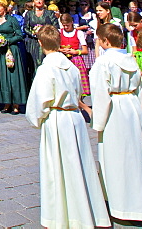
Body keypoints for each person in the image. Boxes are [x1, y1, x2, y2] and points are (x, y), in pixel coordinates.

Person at [25, 25, 109, 229]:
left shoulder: (46, 69)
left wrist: (36, 118)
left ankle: (61, 216)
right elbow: (78, 91)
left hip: (56, 118)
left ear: (40, 43)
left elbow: (40, 100)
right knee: (79, 165)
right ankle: (84, 210)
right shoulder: (70, 66)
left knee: (58, 168)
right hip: (74, 117)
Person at [89, 24, 142, 224]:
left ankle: (121, 201)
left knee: (117, 155)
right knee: (136, 153)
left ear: (105, 41)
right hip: (131, 105)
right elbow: (139, 88)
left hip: (114, 109)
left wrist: (99, 122)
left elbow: (100, 93)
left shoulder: (103, 63)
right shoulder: (130, 59)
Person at [0, 0, 26, 114]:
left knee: (12, 76)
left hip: (10, 50)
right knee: (2, 76)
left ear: (5, 8)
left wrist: (8, 40)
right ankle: (6, 102)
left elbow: (19, 35)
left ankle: (16, 103)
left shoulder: (12, 20)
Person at [23, 0, 58, 79]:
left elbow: (56, 26)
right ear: (33, 2)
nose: (39, 1)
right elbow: (25, 28)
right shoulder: (29, 14)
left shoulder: (49, 13)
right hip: (33, 42)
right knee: (33, 64)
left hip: (47, 42)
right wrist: (33, 34)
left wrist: (45, 33)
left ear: (43, 1)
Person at [58, 13, 89, 97]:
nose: (65, 27)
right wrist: (61, 50)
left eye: (67, 25)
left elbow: (85, 51)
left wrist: (75, 52)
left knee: (77, 82)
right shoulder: (59, 32)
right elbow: (55, 47)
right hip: (63, 58)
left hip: (76, 60)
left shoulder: (79, 33)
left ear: (72, 22)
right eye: (63, 25)